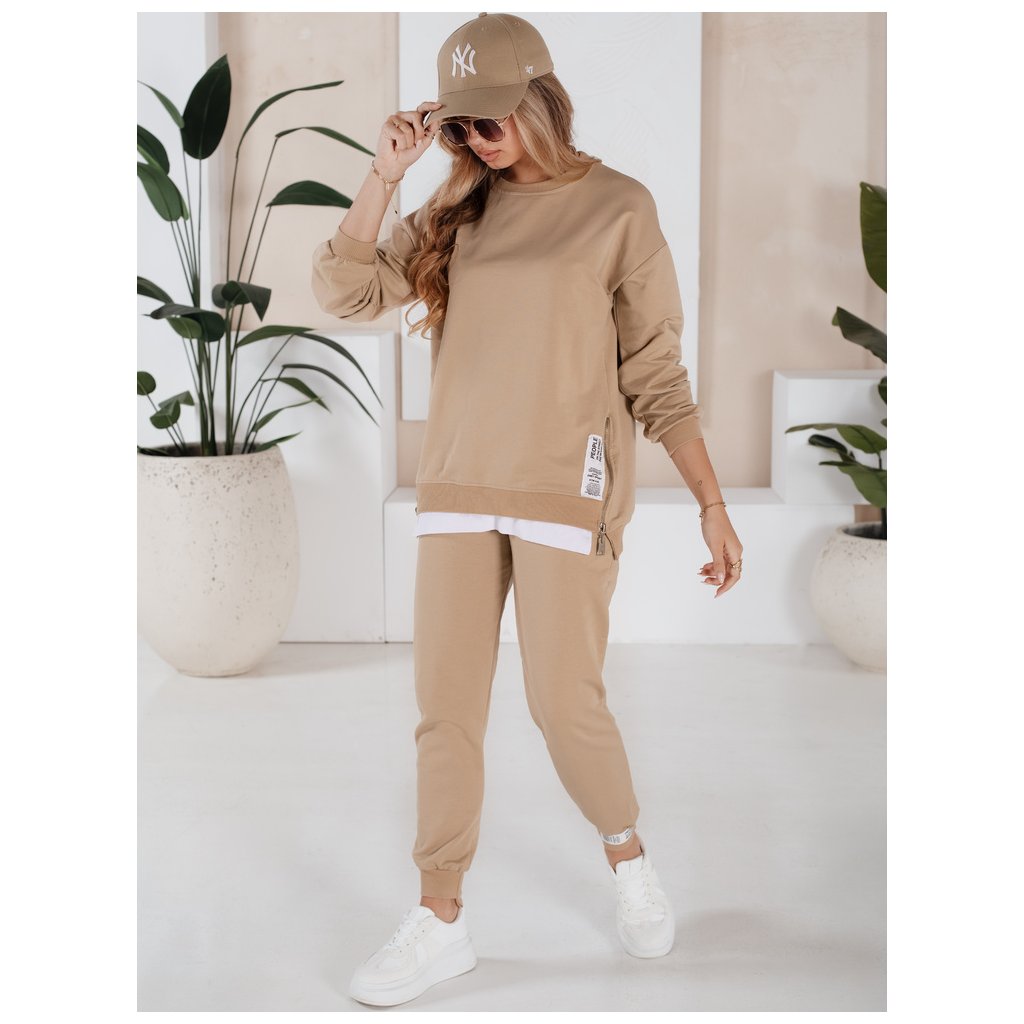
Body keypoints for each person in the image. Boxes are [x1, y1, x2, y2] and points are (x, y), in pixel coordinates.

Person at [311, 12, 744, 1007]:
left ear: (540, 100)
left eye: (490, 121)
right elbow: (342, 291)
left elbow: (656, 372)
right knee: (445, 713)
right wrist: (385, 174)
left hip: (566, 490)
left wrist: (712, 502)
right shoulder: (456, 209)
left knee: (562, 702)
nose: (475, 140)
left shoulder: (619, 208)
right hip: (460, 487)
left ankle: (629, 860)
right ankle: (440, 919)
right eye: (458, 126)